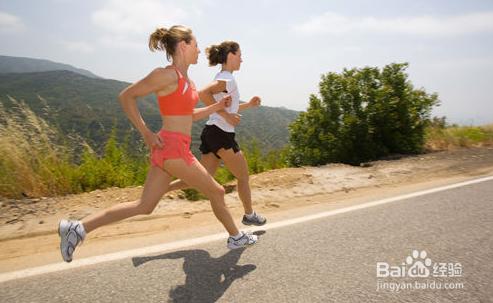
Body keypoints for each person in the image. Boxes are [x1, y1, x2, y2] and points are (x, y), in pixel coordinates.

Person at [58, 26, 257, 263]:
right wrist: (146, 133)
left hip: (172, 149)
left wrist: (215, 108)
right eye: (195, 45)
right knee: (217, 190)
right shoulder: (166, 75)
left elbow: (189, 116)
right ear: (183, 46)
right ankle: (235, 237)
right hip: (172, 149)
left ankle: (78, 228)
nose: (199, 51)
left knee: (145, 206)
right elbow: (126, 96)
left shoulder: (188, 81)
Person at [167, 41, 267, 227]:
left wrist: (249, 105)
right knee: (243, 176)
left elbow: (228, 107)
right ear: (230, 55)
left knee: (202, 177)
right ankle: (249, 215)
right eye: (239, 55)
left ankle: (163, 188)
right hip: (221, 134)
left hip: (211, 132)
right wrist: (227, 116)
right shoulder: (227, 79)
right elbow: (203, 93)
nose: (242, 60)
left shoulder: (223, 77)